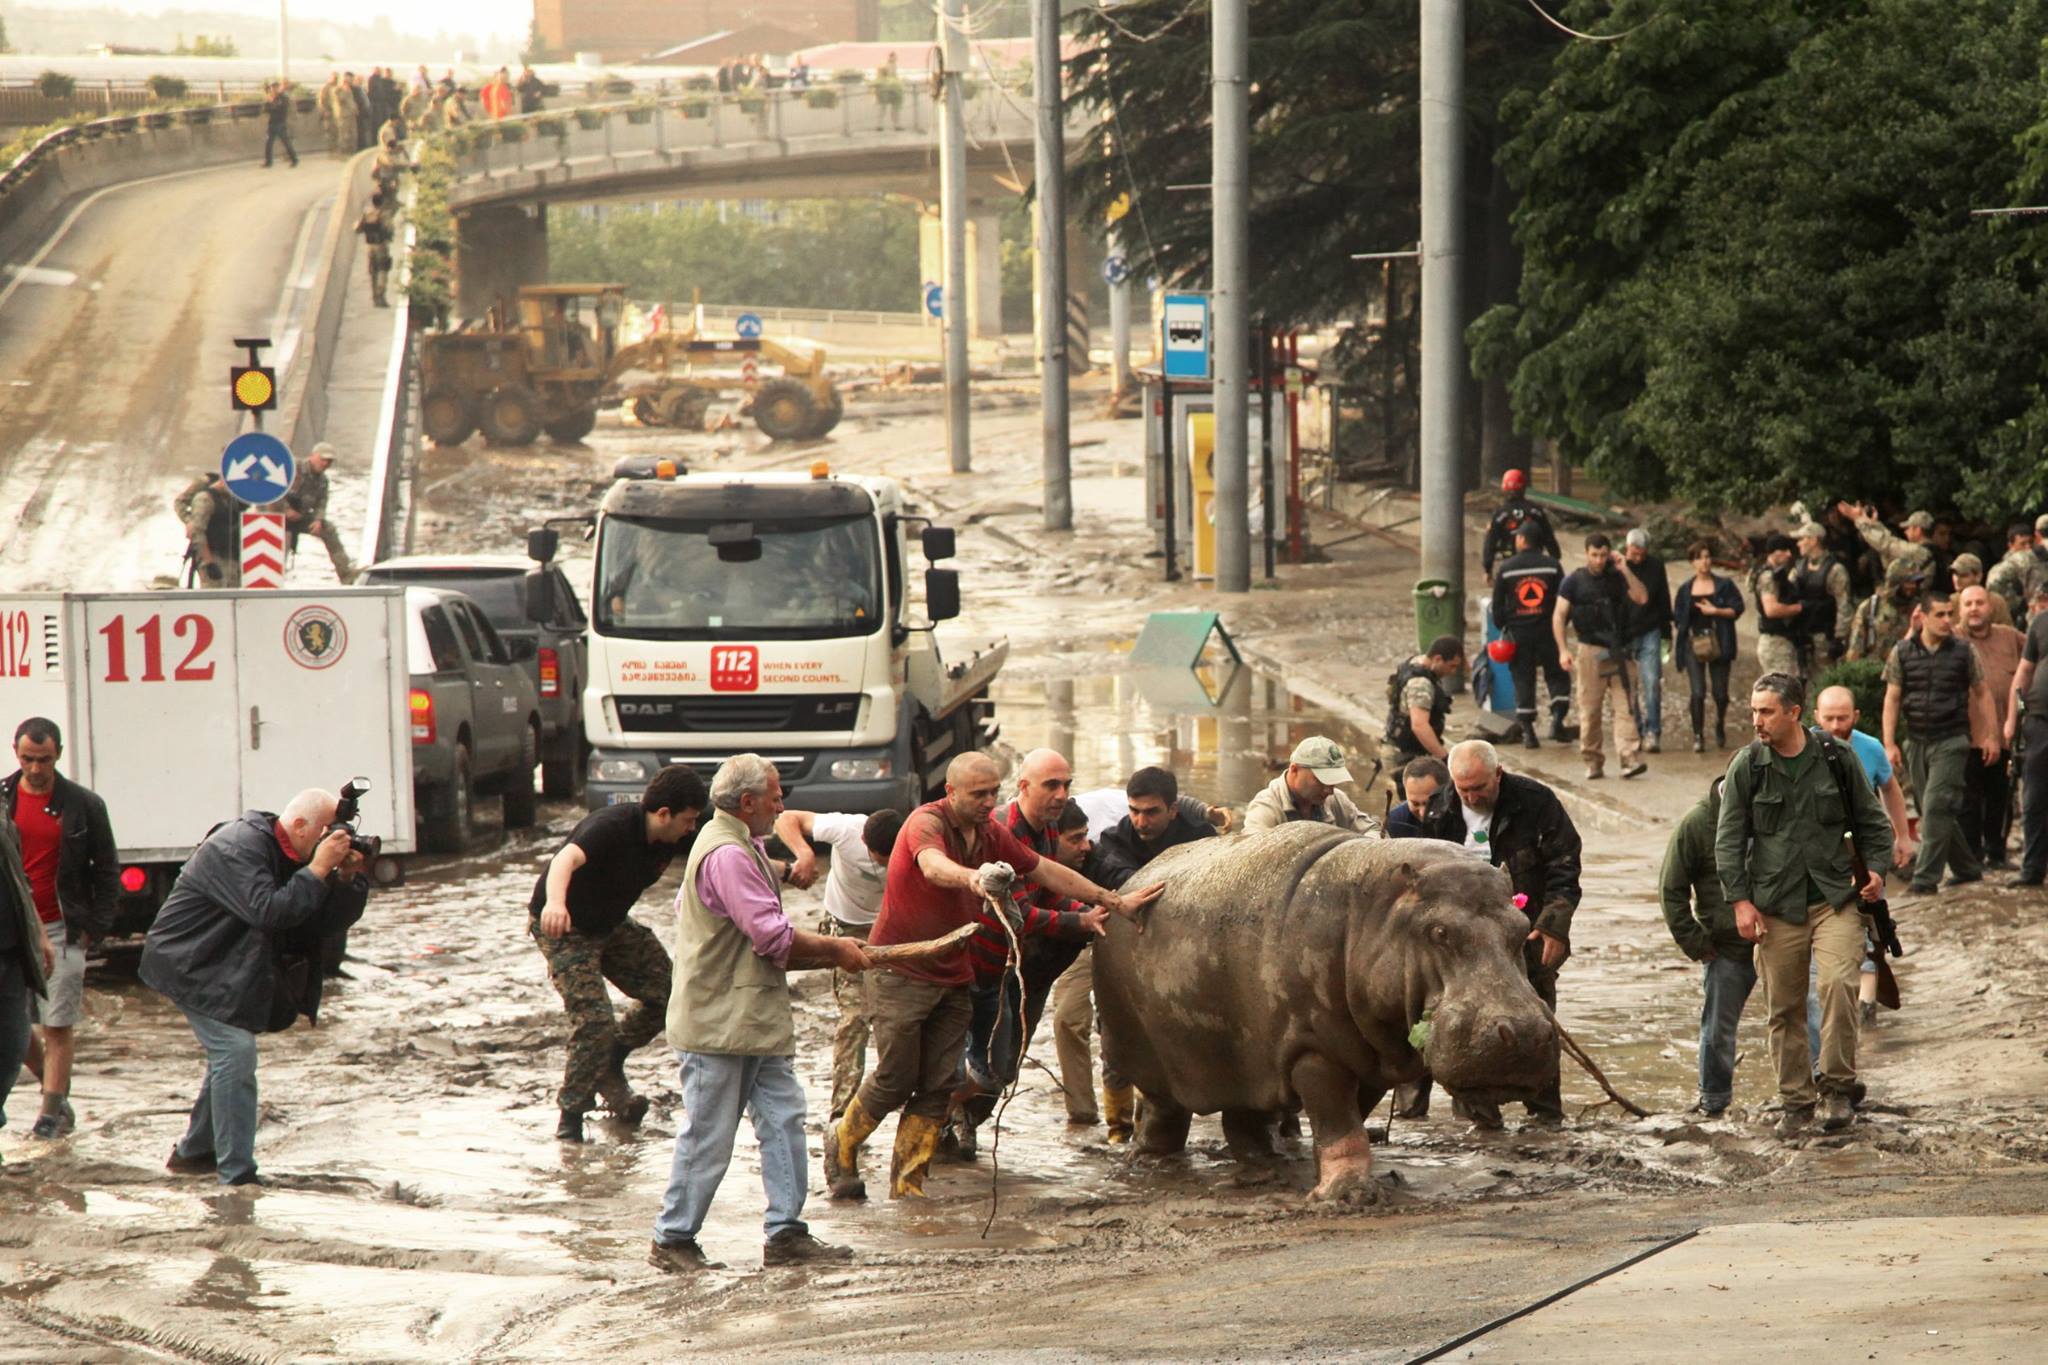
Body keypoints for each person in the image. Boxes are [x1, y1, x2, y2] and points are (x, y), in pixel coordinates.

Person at [824, 752, 1160, 1202]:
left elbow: (1043, 869)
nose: (988, 803)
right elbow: (931, 865)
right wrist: (972, 879)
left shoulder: (990, 833)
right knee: (895, 1077)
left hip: (956, 972)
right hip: (903, 971)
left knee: (940, 1085)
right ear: (951, 793)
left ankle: (909, 1189)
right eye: (978, 794)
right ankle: (841, 1142)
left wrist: (1115, 902)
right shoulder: (927, 823)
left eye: (992, 793)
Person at [649, 755, 871, 1273]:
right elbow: (773, 939)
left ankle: (787, 1232)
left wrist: (774, 875)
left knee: (783, 1120)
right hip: (717, 1023)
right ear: (747, 804)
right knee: (709, 1135)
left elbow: (690, 907)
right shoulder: (727, 853)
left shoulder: (733, 843)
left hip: (748, 1016)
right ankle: (672, 1238)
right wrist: (838, 950)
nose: (782, 804)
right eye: (775, 797)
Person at [142, 790, 369, 1184]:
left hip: (225, 962)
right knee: (235, 1050)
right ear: (300, 826)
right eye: (328, 832)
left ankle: (195, 1153)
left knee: (228, 1057)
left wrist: (346, 877)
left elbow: (323, 924)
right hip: (188, 961)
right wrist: (317, 870)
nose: (333, 840)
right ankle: (237, 1176)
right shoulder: (238, 845)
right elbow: (268, 911)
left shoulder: (295, 852)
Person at [1715, 673, 1893, 1134]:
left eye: (1766, 711)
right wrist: (1739, 902)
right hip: (1775, 903)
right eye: (1753, 711)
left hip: (1836, 897)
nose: (1757, 720)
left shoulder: (1836, 758)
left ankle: (1836, 1087)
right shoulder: (1747, 766)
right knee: (1784, 1006)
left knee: (1837, 985)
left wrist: (1875, 871)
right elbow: (1728, 839)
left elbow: (1875, 822)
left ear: (1794, 712)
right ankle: (1795, 1100)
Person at [1397, 741, 1581, 1125]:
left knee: (1535, 1019)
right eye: (1463, 790)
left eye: (1478, 788)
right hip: (1458, 945)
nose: (1470, 796)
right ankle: (1478, 1120)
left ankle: (1545, 1115)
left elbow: (1565, 867)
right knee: (1461, 1023)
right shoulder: (1437, 809)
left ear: (1498, 774)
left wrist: (1554, 925)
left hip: (1521, 934)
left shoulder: (1535, 802)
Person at [531, 765, 707, 1143]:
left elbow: (718, 862)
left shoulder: (673, 835)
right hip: (564, 927)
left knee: (673, 994)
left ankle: (611, 1059)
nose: (691, 828)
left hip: (609, 925)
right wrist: (556, 904)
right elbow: (565, 860)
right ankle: (571, 1117)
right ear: (664, 814)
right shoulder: (612, 826)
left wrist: (784, 871)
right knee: (594, 1020)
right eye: (688, 820)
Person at [956, 750, 1107, 1155]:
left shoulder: (1050, 830)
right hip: (989, 965)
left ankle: (964, 1122)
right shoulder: (1003, 829)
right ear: (1023, 787)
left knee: (1007, 1064)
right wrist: (1083, 921)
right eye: (1051, 785)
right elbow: (1019, 909)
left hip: (1031, 967)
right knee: (988, 1064)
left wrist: (1091, 912)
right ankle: (939, 1113)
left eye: (1066, 785)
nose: (1061, 794)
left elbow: (1054, 893)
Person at [1057, 766, 1219, 1136]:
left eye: (1151, 812)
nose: (1141, 821)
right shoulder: (1114, 840)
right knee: (1107, 1037)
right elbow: (1122, 880)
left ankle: (1157, 1119)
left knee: (1175, 1041)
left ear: (1173, 809)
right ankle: (1112, 1129)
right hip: (1116, 945)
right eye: (1134, 811)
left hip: (1182, 951)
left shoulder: (1201, 836)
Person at [4, 718, 116, 1140]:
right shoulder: (3, 799)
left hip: (61, 927)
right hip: (12, 929)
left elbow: (106, 868)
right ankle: (58, 1092)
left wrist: (96, 928)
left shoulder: (83, 805)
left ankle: (49, 1114)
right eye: (28, 759)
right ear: (16, 753)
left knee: (58, 1022)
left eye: (44, 760)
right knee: (13, 1021)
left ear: (59, 754)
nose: (35, 768)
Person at [775, 807, 903, 1122]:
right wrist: (804, 855)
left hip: (892, 929)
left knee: (903, 1020)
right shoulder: (846, 829)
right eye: (878, 857)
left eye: (891, 858)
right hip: (843, 928)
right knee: (855, 1019)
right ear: (864, 840)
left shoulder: (912, 842)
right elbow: (786, 818)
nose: (884, 864)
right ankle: (841, 1115)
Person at [1813, 686, 1915, 1030]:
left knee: (1872, 925)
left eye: (1843, 717)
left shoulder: (1870, 748)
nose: (1837, 724)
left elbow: (1891, 790)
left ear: (1855, 717)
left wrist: (1902, 837)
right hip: (1821, 858)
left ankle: (1867, 1005)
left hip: (1865, 853)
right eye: (1829, 718)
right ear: (1815, 717)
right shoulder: (1803, 749)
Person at [1883, 592, 1997, 895]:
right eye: (1941, 615)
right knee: (1934, 808)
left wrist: (1991, 735)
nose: (1948, 620)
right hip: (1917, 740)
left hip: (1952, 739)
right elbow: (1892, 697)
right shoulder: (1902, 651)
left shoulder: (1964, 651)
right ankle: (1967, 868)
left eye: (1950, 613)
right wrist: (1889, 742)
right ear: (1922, 617)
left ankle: (1925, 880)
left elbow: (1983, 693)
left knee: (1935, 808)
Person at [1660, 777, 1749, 1115]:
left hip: (1779, 935)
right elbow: (1671, 889)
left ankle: (1818, 1086)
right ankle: (1713, 1099)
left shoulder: (1772, 810)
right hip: (1725, 945)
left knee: (1802, 1015)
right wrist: (1695, 942)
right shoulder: (1696, 824)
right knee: (1717, 1030)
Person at [1555, 533, 1651, 780]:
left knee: (1626, 707)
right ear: (1586, 553)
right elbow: (1559, 616)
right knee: (1590, 710)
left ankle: (1629, 758)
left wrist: (1625, 569)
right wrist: (1563, 650)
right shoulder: (1573, 581)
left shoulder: (1618, 576)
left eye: (1603, 555)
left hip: (1620, 650)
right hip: (1589, 651)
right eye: (1594, 555)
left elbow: (1641, 598)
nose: (1599, 560)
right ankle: (1593, 761)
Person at [1956, 585, 2024, 870]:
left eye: (1979, 603)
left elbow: (2038, 654)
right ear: (1960, 609)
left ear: (1991, 606)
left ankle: (1997, 853)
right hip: (1965, 735)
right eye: (1968, 603)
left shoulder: (2011, 638)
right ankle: (1972, 858)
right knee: (1968, 802)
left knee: (2001, 798)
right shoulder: (1952, 639)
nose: (1974, 608)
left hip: (2007, 733)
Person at [1, 803, 55, 1152]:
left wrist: (39, 933)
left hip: (10, 950)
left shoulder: (1, 811)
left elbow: (18, 877)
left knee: (13, 1044)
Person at [1490, 522, 1571, 748]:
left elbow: (1497, 607)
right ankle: (1557, 721)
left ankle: (1528, 733)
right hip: (1549, 632)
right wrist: (1561, 625)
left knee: (1523, 679)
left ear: (1523, 541)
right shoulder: (1553, 566)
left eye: (1518, 538)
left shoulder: (1507, 569)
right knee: (1557, 675)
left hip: (1519, 634)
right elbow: (1565, 600)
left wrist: (1506, 625)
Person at [1672, 541, 1744, 752]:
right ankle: (1698, 735)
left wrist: (1716, 611)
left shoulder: (1725, 585)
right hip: (1694, 644)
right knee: (1697, 692)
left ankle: (1719, 724)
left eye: (1707, 556)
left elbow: (1737, 608)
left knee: (1720, 693)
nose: (1705, 561)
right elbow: (1677, 616)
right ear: (1692, 561)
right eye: (1700, 557)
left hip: (1719, 643)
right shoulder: (1685, 589)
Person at [1242, 737, 1380, 834]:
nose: (1329, 790)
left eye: (1333, 781)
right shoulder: (1266, 807)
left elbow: (1373, 831)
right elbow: (1250, 851)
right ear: (1294, 770)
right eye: (1321, 780)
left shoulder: (1335, 800)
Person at [2005, 582, 2048, 886]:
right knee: (2033, 799)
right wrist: (2011, 720)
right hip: (2038, 721)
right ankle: (2032, 870)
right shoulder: (2041, 622)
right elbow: (2023, 672)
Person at [1619, 530, 1673, 752]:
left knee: (1651, 682)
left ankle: (1653, 731)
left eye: (1642, 553)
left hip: (1650, 630)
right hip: (1624, 634)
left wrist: (1666, 633)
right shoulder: (1617, 567)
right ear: (1627, 548)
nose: (1638, 557)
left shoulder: (1655, 566)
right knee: (1629, 687)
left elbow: (1663, 599)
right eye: (1634, 553)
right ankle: (1637, 729)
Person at [1380, 635, 1465, 774]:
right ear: (1437, 659)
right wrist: (1444, 758)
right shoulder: (1421, 684)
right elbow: (1420, 726)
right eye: (1451, 666)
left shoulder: (1414, 663)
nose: (1453, 672)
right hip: (1405, 756)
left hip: (1402, 749)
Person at [280, 443, 356, 582]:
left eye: (329, 461)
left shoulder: (322, 480)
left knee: (329, 529)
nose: (326, 464)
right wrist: (286, 509)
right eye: (323, 459)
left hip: (300, 517)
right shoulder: (291, 469)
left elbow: (322, 502)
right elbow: (272, 490)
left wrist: (318, 520)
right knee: (275, 543)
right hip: (277, 516)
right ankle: (272, 576)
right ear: (313, 456)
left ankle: (346, 574)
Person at [1792, 521, 1852, 682]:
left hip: (1824, 635)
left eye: (1802, 539)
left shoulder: (1835, 570)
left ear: (1813, 540)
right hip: (1802, 634)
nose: (1798, 543)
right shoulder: (1799, 567)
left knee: (1825, 680)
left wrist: (1840, 638)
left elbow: (1843, 605)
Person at [1481, 467, 1559, 583]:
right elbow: (1549, 537)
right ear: (1524, 488)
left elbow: (1491, 541)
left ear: (1504, 488)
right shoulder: (1536, 511)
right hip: (1535, 564)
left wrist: (1488, 568)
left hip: (1510, 564)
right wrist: (1555, 558)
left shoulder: (1500, 514)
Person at [1839, 501, 1939, 587]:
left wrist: (1858, 520)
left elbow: (1886, 544)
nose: (1905, 532)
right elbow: (1889, 542)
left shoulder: (1919, 552)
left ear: (1918, 530)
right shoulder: (1930, 551)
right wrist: (1874, 524)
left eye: (1908, 528)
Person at [1847, 557, 1927, 664]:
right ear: (1896, 583)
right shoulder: (1871, 607)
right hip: (1875, 668)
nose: (1913, 586)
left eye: (1916, 582)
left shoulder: (1920, 608)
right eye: (1908, 582)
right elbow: (1856, 646)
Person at [1753, 534, 1806, 680]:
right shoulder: (1768, 576)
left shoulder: (1778, 575)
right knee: (1781, 690)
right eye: (1784, 550)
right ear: (1773, 552)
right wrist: (1801, 608)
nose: (1789, 554)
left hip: (1782, 640)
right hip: (1775, 643)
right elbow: (1771, 610)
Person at [173, 470, 239, 587]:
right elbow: (180, 503)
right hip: (212, 552)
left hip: (231, 553)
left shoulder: (235, 493)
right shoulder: (206, 485)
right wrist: (190, 522)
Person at [1385, 756, 1454, 842]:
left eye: (1428, 804)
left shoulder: (1465, 815)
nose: (1422, 813)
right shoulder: (1395, 822)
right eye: (1415, 804)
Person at [1987, 522, 2041, 621]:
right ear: (2011, 545)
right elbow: (1994, 585)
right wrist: (2021, 603)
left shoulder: (2034, 561)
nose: (2028, 547)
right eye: (2023, 544)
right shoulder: (2006, 567)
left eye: (2030, 542)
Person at [354, 191, 394, 309]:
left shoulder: (367, 214)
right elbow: (389, 230)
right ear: (382, 201)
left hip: (370, 246)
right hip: (381, 246)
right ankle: (381, 296)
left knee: (373, 272)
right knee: (383, 270)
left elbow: (357, 229)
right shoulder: (384, 215)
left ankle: (375, 297)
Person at [1949, 555, 2011, 629]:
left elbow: (2007, 633)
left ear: (1978, 576)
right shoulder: (1950, 602)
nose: (1957, 579)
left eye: (1963, 575)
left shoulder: (1996, 602)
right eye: (1955, 574)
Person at [261, 80, 299, 168]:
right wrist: (270, 103)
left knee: (286, 142)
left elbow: (279, 108)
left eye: (275, 87)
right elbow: (265, 109)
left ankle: (294, 159)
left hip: (280, 123)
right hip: (271, 123)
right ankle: (268, 162)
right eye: (272, 87)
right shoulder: (270, 98)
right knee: (268, 143)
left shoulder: (283, 98)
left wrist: (272, 104)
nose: (273, 89)